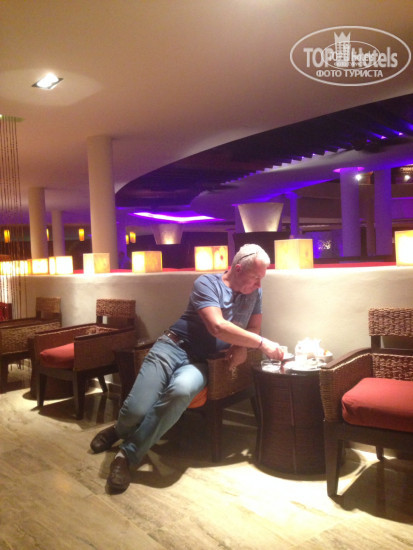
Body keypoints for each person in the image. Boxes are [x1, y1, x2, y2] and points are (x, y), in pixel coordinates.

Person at [90, 243, 284, 492]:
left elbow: (254, 327)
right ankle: (119, 429)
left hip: (202, 362)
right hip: (172, 347)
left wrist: (241, 346)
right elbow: (217, 326)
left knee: (181, 391)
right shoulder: (207, 283)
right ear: (238, 268)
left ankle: (127, 455)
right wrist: (261, 343)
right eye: (256, 277)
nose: (259, 284)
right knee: (135, 411)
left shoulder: (255, 294)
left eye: (261, 278)